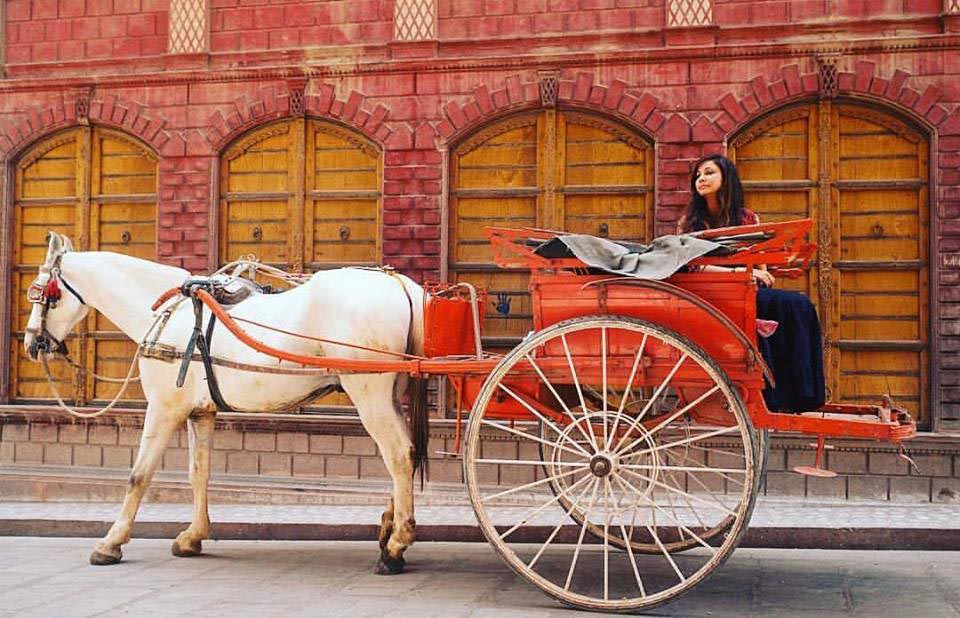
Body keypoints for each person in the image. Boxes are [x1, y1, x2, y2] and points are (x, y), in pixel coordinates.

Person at [678, 154, 825, 413]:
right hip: (709, 291)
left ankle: (799, 392)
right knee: (774, 306)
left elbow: (760, 265)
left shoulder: (747, 218)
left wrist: (760, 273)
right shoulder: (689, 223)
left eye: (709, 173)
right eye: (698, 175)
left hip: (744, 287)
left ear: (727, 178)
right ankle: (773, 394)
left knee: (798, 305)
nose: (702, 179)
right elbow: (691, 266)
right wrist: (737, 272)